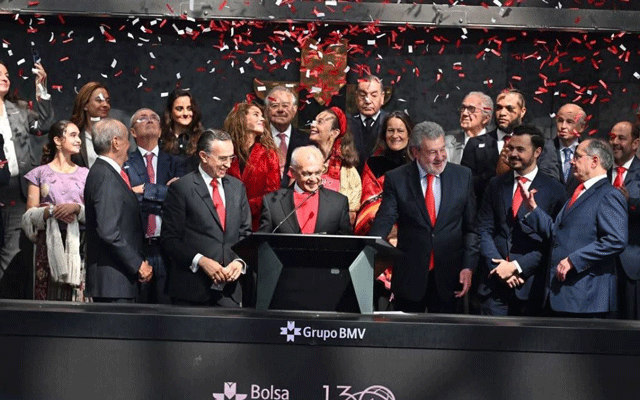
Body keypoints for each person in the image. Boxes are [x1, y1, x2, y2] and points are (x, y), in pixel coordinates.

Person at [370, 121, 479, 313]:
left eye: (442, 149)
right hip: (409, 279)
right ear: (415, 152)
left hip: (450, 279)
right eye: (432, 152)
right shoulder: (397, 179)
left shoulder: (463, 176)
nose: (440, 157)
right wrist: (370, 256)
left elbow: (471, 229)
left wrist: (468, 267)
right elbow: (384, 221)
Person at [521, 139, 627, 317]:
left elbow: (616, 240)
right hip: (562, 295)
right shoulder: (578, 192)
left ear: (594, 161)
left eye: (577, 156)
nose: (572, 161)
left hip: (586, 298)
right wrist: (533, 210)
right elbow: (558, 233)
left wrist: (574, 260)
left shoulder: (609, 194)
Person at [476, 125, 565, 316]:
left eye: (520, 149)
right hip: (494, 285)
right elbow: (484, 229)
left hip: (531, 287)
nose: (512, 154)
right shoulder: (495, 184)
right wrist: (499, 267)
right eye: (510, 148)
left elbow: (554, 239)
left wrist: (516, 267)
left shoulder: (555, 190)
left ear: (537, 152)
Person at [161, 129, 251, 306]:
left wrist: (239, 263)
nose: (228, 164)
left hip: (229, 292)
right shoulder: (182, 188)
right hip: (192, 291)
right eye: (222, 158)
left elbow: (246, 234)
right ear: (203, 156)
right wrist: (201, 261)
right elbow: (170, 240)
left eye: (231, 158)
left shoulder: (237, 188)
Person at [0, 60, 54, 297]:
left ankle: (8, 310)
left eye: (7, 73)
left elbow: (44, 125)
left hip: (15, 191)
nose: (5, 77)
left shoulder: (19, 110)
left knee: (13, 252)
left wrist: (41, 89)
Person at [84, 119, 152, 303]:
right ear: (116, 142)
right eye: (127, 139)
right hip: (113, 284)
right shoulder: (106, 176)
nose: (130, 144)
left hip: (117, 284)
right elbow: (108, 231)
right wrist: (137, 264)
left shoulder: (106, 172)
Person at [22, 120, 89, 301]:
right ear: (58, 141)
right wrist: (51, 212)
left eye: (79, 136)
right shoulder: (39, 174)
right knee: (47, 298)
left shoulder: (86, 174)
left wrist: (76, 209)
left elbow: (94, 211)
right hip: (48, 244)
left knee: (77, 298)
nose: (79, 141)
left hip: (78, 242)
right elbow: (29, 216)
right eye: (73, 135)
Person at [124, 108, 185, 304]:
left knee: (167, 315)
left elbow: (179, 199)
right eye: (142, 118)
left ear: (160, 130)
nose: (149, 120)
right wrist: (162, 192)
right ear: (133, 132)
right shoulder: (124, 163)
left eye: (154, 118)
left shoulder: (177, 163)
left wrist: (144, 190)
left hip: (167, 248)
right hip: (136, 249)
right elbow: (125, 200)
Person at [461, 89, 560, 204]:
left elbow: (551, 182)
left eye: (509, 108)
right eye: (499, 108)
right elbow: (465, 185)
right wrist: (496, 174)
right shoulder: (475, 143)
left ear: (522, 111)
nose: (502, 113)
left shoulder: (542, 144)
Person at [259, 145, 351, 235]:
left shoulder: (338, 203)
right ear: (293, 172)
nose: (314, 179)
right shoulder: (272, 204)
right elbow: (263, 244)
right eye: (307, 174)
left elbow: (346, 245)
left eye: (318, 172)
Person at [223, 102, 280, 231]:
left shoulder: (268, 154)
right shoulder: (225, 150)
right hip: (224, 221)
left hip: (257, 224)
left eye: (262, 115)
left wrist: (243, 208)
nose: (263, 119)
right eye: (256, 114)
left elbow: (272, 194)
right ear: (241, 118)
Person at [355, 111, 413, 237]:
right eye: (390, 130)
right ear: (384, 134)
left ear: (409, 134)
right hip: (377, 227)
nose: (395, 135)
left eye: (400, 131)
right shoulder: (373, 164)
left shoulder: (417, 165)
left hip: (409, 232)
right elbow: (369, 202)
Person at [608, 121, 640, 319]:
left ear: (635, 143)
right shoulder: (599, 171)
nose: (615, 142)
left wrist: (630, 203)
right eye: (612, 137)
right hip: (601, 265)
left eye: (621, 138)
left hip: (632, 264)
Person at [309, 107, 361, 223]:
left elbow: (350, 216)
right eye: (314, 121)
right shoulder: (304, 160)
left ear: (334, 132)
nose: (312, 125)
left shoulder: (348, 171)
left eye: (320, 122)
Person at [264, 85, 310, 185]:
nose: (280, 110)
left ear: (294, 110)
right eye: (274, 106)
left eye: (285, 105)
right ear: (267, 111)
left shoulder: (306, 141)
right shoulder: (258, 138)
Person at [348, 75, 388, 168]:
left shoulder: (389, 122)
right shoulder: (346, 123)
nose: (368, 101)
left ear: (382, 98)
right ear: (356, 96)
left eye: (374, 95)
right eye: (362, 95)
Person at [159, 89, 204, 171]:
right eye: (179, 109)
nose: (186, 114)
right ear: (170, 112)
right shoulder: (160, 139)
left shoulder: (202, 139)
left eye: (189, 108)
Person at [70, 82, 110, 168]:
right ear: (85, 105)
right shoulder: (74, 136)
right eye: (99, 100)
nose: (105, 105)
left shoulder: (115, 133)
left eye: (107, 101)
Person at [445, 91, 493, 164]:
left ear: (485, 118)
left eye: (471, 109)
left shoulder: (496, 143)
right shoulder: (446, 143)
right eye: (463, 108)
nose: (464, 113)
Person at [553, 103, 585, 195]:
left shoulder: (589, 152)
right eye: (560, 121)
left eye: (569, 122)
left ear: (582, 127)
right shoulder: (545, 149)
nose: (563, 126)